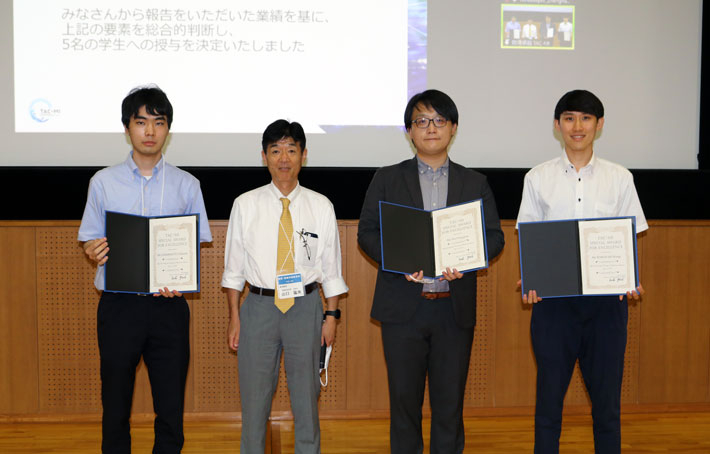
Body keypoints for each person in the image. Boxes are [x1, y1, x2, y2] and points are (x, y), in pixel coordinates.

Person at [358, 89, 505, 454]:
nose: (431, 128)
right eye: (421, 121)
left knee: (449, 407)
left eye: (439, 120)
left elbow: (494, 237)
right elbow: (367, 232)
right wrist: (398, 259)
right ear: (409, 131)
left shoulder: (475, 183)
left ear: (453, 128)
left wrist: (469, 261)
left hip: (452, 311)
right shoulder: (387, 178)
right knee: (404, 407)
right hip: (403, 310)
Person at [78, 85, 212, 454]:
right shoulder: (102, 182)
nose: (150, 131)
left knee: (170, 407)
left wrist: (181, 275)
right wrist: (93, 249)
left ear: (168, 129)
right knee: (116, 407)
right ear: (127, 128)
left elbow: (195, 244)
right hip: (119, 305)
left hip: (168, 308)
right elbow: (89, 239)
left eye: (158, 122)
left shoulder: (187, 184)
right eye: (141, 122)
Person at [516, 89, 647, 454]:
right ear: (557, 125)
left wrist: (630, 277)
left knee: (607, 408)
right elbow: (530, 236)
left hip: (606, 308)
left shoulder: (620, 178)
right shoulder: (537, 178)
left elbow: (630, 237)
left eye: (586, 118)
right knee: (548, 407)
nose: (578, 126)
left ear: (599, 125)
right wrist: (531, 278)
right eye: (570, 118)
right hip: (553, 306)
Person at [222, 120, 348, 454]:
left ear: (303, 155)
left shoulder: (320, 205)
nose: (284, 158)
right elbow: (233, 270)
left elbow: (331, 269)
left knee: (306, 399)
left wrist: (331, 316)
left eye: (291, 150)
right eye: (276, 150)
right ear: (264, 156)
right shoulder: (245, 204)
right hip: (259, 308)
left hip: (306, 308)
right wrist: (235, 317)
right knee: (254, 402)